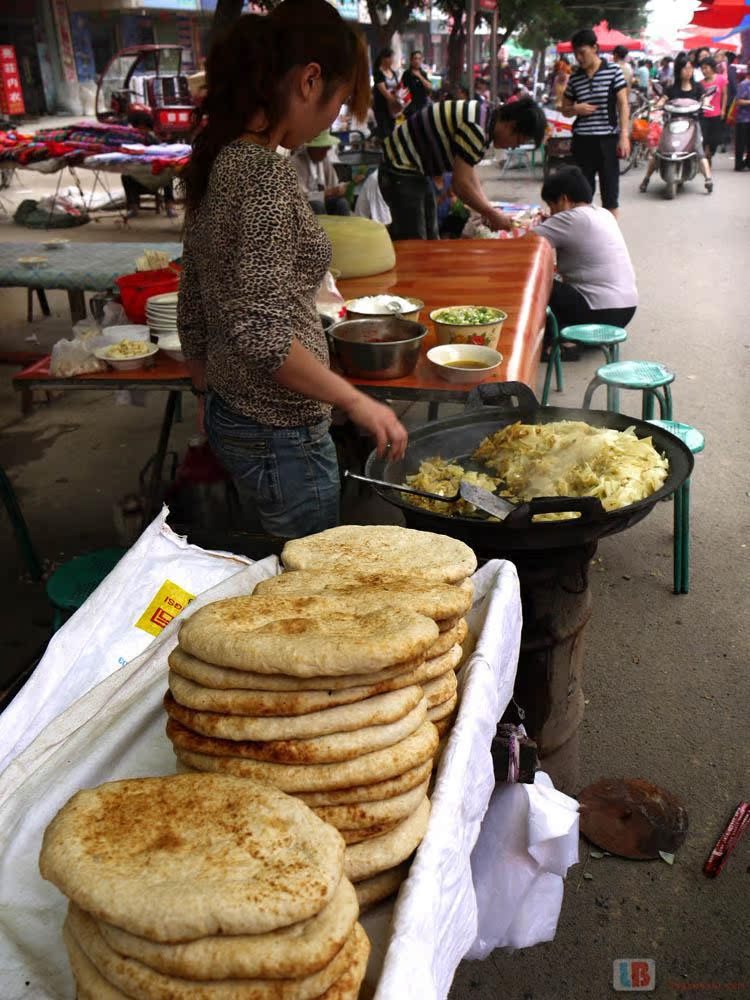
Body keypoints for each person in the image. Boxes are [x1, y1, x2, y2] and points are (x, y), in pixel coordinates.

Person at [178, 0, 407, 540]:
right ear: (309, 81)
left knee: (279, 557)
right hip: (279, 429)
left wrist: (206, 389)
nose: (334, 119)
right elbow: (261, 333)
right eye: (339, 102)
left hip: (237, 411)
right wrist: (354, 400)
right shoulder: (263, 178)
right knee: (304, 578)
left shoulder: (224, 158)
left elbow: (194, 287)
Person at [378, 95, 546, 240]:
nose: (512, 147)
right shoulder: (476, 128)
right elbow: (460, 185)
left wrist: (487, 209)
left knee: (429, 236)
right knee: (413, 242)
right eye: (517, 141)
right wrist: (491, 214)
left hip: (412, 170)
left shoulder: (485, 117)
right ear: (511, 126)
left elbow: (468, 170)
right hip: (400, 168)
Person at [536, 165, 637, 343]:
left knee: (538, 281)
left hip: (599, 312)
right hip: (624, 310)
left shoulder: (571, 218)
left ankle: (561, 342)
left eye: (551, 205)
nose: (551, 212)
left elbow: (527, 242)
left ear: (564, 199)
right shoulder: (604, 213)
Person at [562, 28, 630, 218]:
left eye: (582, 53)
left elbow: (623, 105)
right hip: (582, 142)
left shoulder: (613, 71)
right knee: (582, 196)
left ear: (595, 48)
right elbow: (565, 110)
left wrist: (624, 136)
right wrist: (576, 109)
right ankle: (586, 238)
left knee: (610, 195)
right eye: (575, 54)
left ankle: (611, 243)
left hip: (607, 141)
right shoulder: (575, 78)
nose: (579, 58)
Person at [639, 53, 712, 194]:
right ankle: (646, 179)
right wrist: (657, 105)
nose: (688, 71)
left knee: (699, 150)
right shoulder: (672, 88)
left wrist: (705, 103)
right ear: (679, 70)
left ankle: (708, 179)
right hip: (673, 122)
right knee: (659, 151)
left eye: (690, 68)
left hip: (692, 123)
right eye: (685, 68)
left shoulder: (698, 87)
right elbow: (663, 98)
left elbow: (704, 98)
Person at [290, 130, 350, 215]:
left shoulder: (324, 161)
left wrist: (341, 189)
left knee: (341, 203)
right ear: (312, 148)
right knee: (317, 205)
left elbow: (334, 184)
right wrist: (328, 193)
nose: (324, 153)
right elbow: (301, 196)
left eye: (326, 149)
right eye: (322, 149)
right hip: (302, 208)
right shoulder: (296, 163)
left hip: (323, 203)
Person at [699, 57, 728, 164]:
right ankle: (705, 157)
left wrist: (723, 109)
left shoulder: (721, 79)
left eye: (706, 68)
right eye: (702, 68)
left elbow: (725, 95)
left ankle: (710, 153)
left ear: (712, 68)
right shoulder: (700, 83)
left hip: (716, 114)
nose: (704, 71)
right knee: (704, 138)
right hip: (703, 115)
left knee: (715, 139)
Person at [372, 48, 401, 138]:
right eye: (390, 58)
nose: (392, 60)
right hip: (382, 107)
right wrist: (396, 102)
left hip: (393, 108)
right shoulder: (378, 72)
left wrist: (401, 99)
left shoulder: (393, 72)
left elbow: (398, 88)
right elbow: (384, 91)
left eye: (392, 58)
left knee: (393, 130)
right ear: (384, 59)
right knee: (385, 131)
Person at [401, 50, 432, 114]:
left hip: (423, 105)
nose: (417, 61)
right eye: (415, 58)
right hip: (410, 107)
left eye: (419, 59)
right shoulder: (406, 74)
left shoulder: (423, 74)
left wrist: (419, 76)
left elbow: (429, 87)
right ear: (411, 60)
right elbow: (402, 90)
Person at [734, 70, 750, 171]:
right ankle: (739, 164)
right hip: (744, 119)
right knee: (741, 143)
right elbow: (738, 101)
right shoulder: (744, 84)